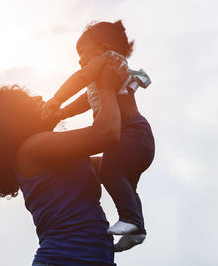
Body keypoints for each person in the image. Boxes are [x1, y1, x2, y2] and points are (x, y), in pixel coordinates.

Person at [0, 55, 125, 266]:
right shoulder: (34, 148)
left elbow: (116, 167)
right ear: (17, 121)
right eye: (30, 102)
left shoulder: (55, 159)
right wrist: (107, 88)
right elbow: (108, 134)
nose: (40, 99)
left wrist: (109, 96)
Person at [42, 20, 155, 252]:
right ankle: (138, 228)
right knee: (127, 187)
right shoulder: (109, 71)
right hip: (138, 137)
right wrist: (63, 112)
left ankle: (131, 219)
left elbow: (79, 78)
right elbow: (87, 99)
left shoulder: (107, 61)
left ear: (103, 48)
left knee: (109, 171)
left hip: (130, 133)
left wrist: (56, 98)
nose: (80, 60)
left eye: (83, 53)